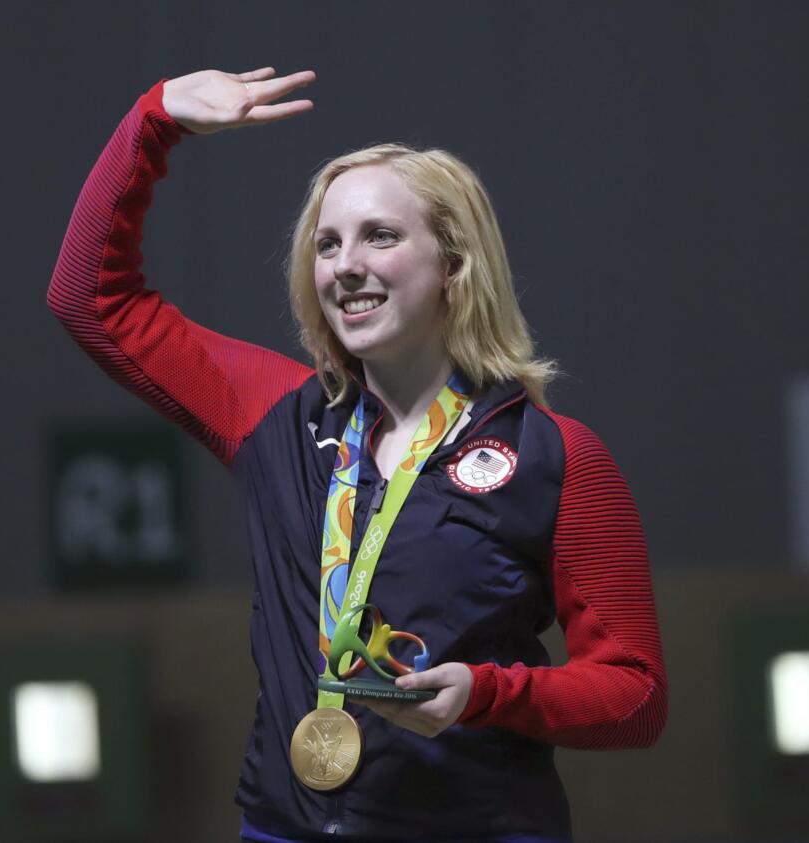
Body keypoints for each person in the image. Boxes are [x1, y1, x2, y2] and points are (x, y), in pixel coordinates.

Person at [48, 65, 667, 842]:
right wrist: (153, 120)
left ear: (454, 265)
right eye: (327, 243)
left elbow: (635, 696)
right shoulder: (275, 413)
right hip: (286, 826)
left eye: (380, 235)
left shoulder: (555, 454)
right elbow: (89, 298)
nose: (346, 264)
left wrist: (486, 692)